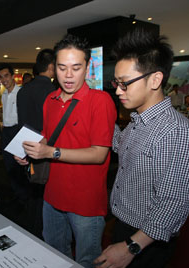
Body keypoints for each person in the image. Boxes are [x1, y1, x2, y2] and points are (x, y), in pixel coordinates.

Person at [94, 29, 189, 268]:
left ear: (155, 80)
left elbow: (173, 204)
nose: (117, 90)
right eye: (116, 83)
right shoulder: (139, 120)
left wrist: (131, 247)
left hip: (146, 239)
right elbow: (120, 146)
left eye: (125, 84)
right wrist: (101, 116)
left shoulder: (176, 133)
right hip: (125, 225)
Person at [15, 34, 117, 267]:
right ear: (54, 68)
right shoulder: (49, 98)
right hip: (51, 196)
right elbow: (47, 137)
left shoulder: (100, 101)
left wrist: (50, 153)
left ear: (87, 67)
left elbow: (99, 154)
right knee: (54, 254)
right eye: (62, 68)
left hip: (86, 203)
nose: (68, 75)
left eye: (76, 67)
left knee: (87, 260)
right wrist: (29, 153)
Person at [16, 48, 56, 238]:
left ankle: (30, 229)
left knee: (32, 189)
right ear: (50, 67)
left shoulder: (23, 91)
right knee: (47, 193)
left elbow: (21, 124)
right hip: (47, 148)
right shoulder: (53, 91)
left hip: (26, 146)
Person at [0, 63, 29, 203]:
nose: (4, 80)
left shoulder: (21, 93)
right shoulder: (4, 94)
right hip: (6, 132)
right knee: (8, 163)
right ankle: (17, 192)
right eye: (1, 77)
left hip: (17, 130)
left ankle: (25, 195)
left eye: (6, 76)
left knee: (20, 164)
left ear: (12, 76)